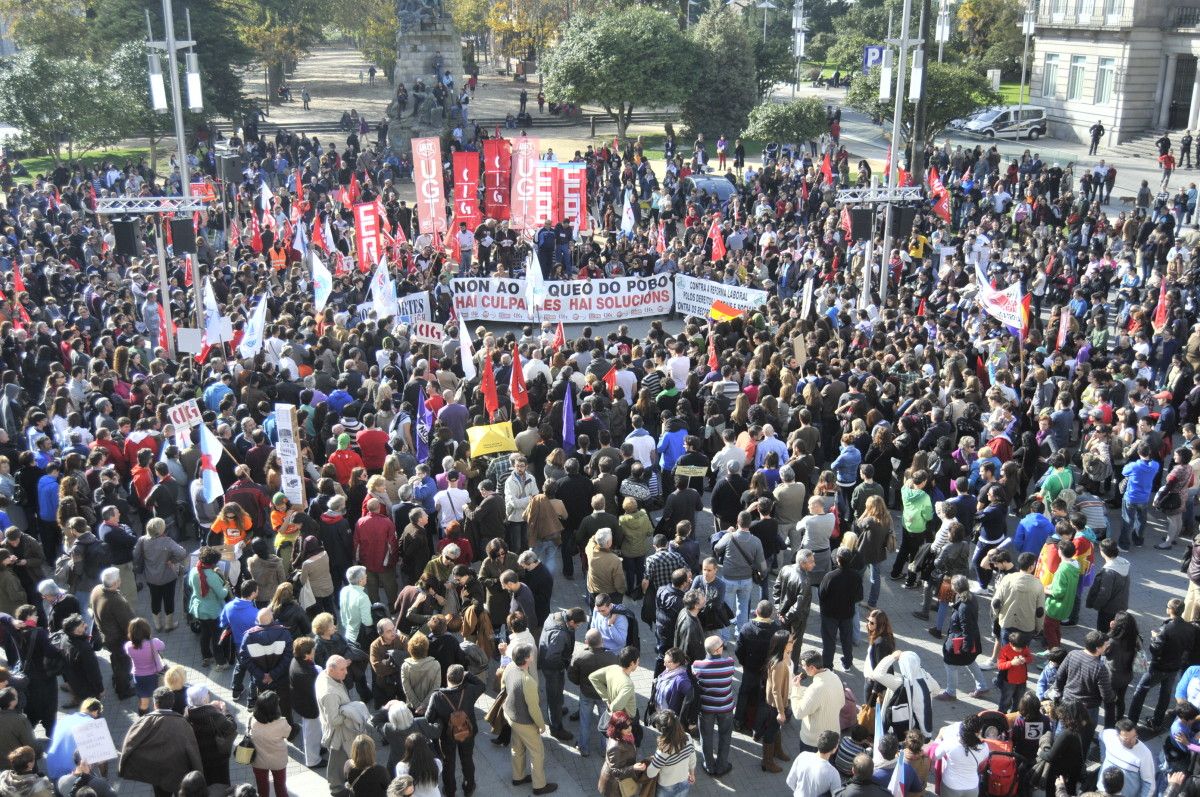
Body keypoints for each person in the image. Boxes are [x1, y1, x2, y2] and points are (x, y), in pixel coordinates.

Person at [118, 686, 203, 797]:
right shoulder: (183, 723)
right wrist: (199, 772)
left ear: (155, 704)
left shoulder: (144, 721)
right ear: (172, 703)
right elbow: (193, 751)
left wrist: (123, 766)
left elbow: (130, 743)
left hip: (156, 774)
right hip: (179, 774)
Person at [1128, 597, 1197, 732]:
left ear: (1171, 610)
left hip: (1158, 667)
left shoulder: (1167, 627)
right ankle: (1157, 722)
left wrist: (1154, 637)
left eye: (1167, 606)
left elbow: (1155, 649)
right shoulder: (1189, 627)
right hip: (1174, 667)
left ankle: (1132, 721)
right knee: (1165, 695)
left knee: (1140, 691)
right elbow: (1189, 647)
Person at [503, 642, 558, 794]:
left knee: (517, 747)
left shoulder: (509, 667)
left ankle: (518, 777)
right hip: (524, 722)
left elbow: (503, 686)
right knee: (537, 752)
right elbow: (534, 709)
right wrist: (541, 725)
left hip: (510, 716)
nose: (534, 654)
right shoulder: (528, 682)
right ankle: (539, 786)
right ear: (527, 659)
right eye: (531, 653)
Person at [425, 663, 486, 796]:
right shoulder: (469, 690)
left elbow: (428, 718)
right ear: (462, 678)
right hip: (468, 732)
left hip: (447, 736)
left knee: (448, 763)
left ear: (447, 677)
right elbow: (482, 685)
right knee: (467, 759)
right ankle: (469, 787)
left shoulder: (437, 696)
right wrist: (468, 674)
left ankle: (450, 790)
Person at [317, 655, 368, 792]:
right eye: (342, 669)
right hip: (338, 735)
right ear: (331, 670)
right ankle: (337, 790)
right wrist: (350, 712)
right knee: (337, 765)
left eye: (346, 668)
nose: (346, 672)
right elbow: (334, 720)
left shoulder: (326, 675)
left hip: (341, 733)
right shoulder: (330, 693)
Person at [538, 605, 586, 742]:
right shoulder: (560, 634)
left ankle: (557, 711)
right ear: (571, 622)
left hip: (551, 664)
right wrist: (564, 665)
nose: (579, 627)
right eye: (579, 625)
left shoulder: (557, 615)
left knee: (558, 692)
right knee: (554, 695)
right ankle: (556, 728)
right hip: (552, 668)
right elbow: (552, 657)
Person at [569, 628, 619, 757]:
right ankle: (605, 750)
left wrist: (581, 683)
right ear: (602, 641)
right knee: (606, 724)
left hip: (586, 694)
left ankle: (584, 748)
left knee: (585, 721)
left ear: (586, 642)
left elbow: (572, 676)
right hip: (604, 696)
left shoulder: (579, 656)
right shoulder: (612, 657)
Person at [131, 516, 187, 632]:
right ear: (161, 529)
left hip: (151, 577)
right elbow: (182, 553)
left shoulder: (142, 540)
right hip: (168, 576)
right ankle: (168, 624)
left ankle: (157, 625)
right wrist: (172, 560)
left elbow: (136, 556)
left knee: (154, 599)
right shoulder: (167, 541)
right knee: (169, 599)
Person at [89, 567, 134, 700]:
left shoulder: (97, 589)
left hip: (106, 636)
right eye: (119, 579)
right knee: (124, 664)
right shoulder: (116, 602)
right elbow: (129, 624)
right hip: (118, 640)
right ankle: (123, 690)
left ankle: (117, 679)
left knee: (116, 659)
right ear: (115, 583)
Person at [791, 648, 845, 753]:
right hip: (833, 737)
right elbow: (842, 702)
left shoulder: (815, 688)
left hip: (814, 741)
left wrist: (795, 689)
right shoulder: (835, 677)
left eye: (803, 666)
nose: (802, 668)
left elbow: (798, 713)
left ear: (812, 668)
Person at [184, 684, 237, 788]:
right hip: (217, 759)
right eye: (207, 694)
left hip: (199, 759)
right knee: (222, 786)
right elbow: (231, 727)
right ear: (203, 700)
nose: (209, 695)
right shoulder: (214, 716)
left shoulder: (187, 715)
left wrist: (211, 707)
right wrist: (224, 711)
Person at [818, 547, 861, 671]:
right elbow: (859, 596)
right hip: (847, 613)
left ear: (837, 559)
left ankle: (828, 666)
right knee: (846, 639)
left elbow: (821, 594)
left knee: (829, 641)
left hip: (829, 614)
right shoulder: (856, 576)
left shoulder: (830, 576)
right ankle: (847, 663)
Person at [248, 690, 291, 797]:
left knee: (262, 788)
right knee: (280, 787)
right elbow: (287, 734)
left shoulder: (251, 720)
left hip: (258, 761)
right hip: (278, 761)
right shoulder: (282, 722)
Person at [645, 709, 697, 797]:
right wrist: (692, 774)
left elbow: (651, 773)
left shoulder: (663, 750)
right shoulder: (688, 738)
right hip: (684, 782)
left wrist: (651, 761)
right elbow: (692, 759)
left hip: (666, 788)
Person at [1098, 719, 1155, 797]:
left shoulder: (1145, 753)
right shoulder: (1109, 736)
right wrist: (1103, 758)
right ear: (1117, 735)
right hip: (1102, 792)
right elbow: (1101, 735)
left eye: (1134, 736)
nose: (1132, 741)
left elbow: (1149, 783)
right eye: (1127, 739)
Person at [934, 714, 987, 797]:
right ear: (978, 732)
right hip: (972, 787)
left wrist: (938, 739)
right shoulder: (984, 747)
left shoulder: (950, 742)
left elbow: (936, 755)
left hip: (951, 785)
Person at [784, 729, 841, 797]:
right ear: (834, 749)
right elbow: (837, 795)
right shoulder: (833, 773)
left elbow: (790, 781)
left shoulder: (803, 756)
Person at [597, 709, 640, 797]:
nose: (630, 728)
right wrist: (633, 768)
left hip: (623, 779)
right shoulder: (615, 747)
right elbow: (615, 772)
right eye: (626, 727)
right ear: (618, 729)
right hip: (615, 787)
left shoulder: (625, 736)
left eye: (629, 725)